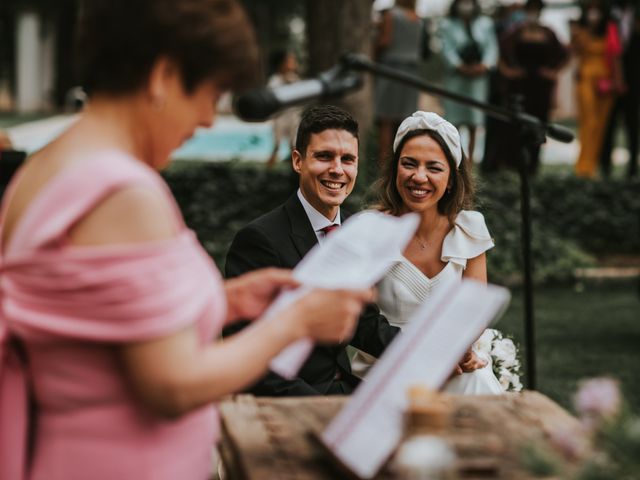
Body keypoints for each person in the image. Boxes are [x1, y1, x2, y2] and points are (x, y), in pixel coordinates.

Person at [0, 2, 372, 479]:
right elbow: (172, 386)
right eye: (210, 92)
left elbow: (98, 319)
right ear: (163, 75)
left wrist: (225, 301)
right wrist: (294, 322)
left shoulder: (44, 167)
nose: (207, 121)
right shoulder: (121, 192)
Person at [225, 104, 401, 396]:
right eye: (324, 156)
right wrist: (319, 408)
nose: (337, 169)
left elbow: (365, 324)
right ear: (298, 161)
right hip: (289, 401)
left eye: (348, 159)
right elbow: (248, 355)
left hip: (345, 390)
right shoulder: (258, 240)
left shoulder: (354, 234)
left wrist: (430, 351)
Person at [350, 111, 503, 395]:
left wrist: (458, 349)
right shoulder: (370, 230)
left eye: (433, 167)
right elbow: (360, 319)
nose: (419, 177)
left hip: (453, 366)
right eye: (409, 164)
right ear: (396, 169)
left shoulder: (469, 229)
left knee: (476, 382)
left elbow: (472, 313)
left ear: (451, 179)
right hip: (386, 366)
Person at [483, 0, 569, 174]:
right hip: (519, 88)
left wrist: (553, 72)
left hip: (540, 89)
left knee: (538, 127)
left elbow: (564, 54)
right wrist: (507, 71)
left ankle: (532, 166)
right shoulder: (516, 32)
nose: (533, 13)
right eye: (530, 10)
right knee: (515, 127)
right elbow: (499, 51)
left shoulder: (548, 33)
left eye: (536, 10)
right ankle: (513, 165)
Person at [439, 0, 498, 163]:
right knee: (453, 122)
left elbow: (492, 48)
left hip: (478, 80)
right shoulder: (447, 24)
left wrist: (484, 66)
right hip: (455, 79)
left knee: (474, 122)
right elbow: (446, 49)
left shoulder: (485, 23)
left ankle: (469, 165)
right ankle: (453, 162)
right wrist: (459, 66)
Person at [571, 0, 624, 178]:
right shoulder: (581, 29)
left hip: (605, 80)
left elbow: (615, 55)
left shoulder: (610, 28)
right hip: (586, 78)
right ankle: (582, 166)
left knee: (600, 125)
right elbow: (574, 51)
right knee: (589, 122)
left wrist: (618, 80)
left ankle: (591, 165)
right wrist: (581, 33)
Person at [374, 0, 425, 166]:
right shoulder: (417, 19)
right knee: (406, 122)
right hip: (412, 74)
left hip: (391, 70)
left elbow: (385, 41)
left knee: (386, 121)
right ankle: (403, 162)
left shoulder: (391, 15)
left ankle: (384, 166)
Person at [599, 0, 639, 178]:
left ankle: (632, 167)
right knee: (608, 123)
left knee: (633, 125)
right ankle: (605, 166)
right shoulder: (606, 14)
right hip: (607, 78)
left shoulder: (637, 13)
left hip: (635, 79)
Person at [266, 49, 301, 168]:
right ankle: (269, 171)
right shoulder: (274, 81)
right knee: (276, 145)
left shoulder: (295, 79)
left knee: (294, 145)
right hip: (280, 118)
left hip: (293, 117)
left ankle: (295, 171)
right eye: (289, 61)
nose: (293, 63)